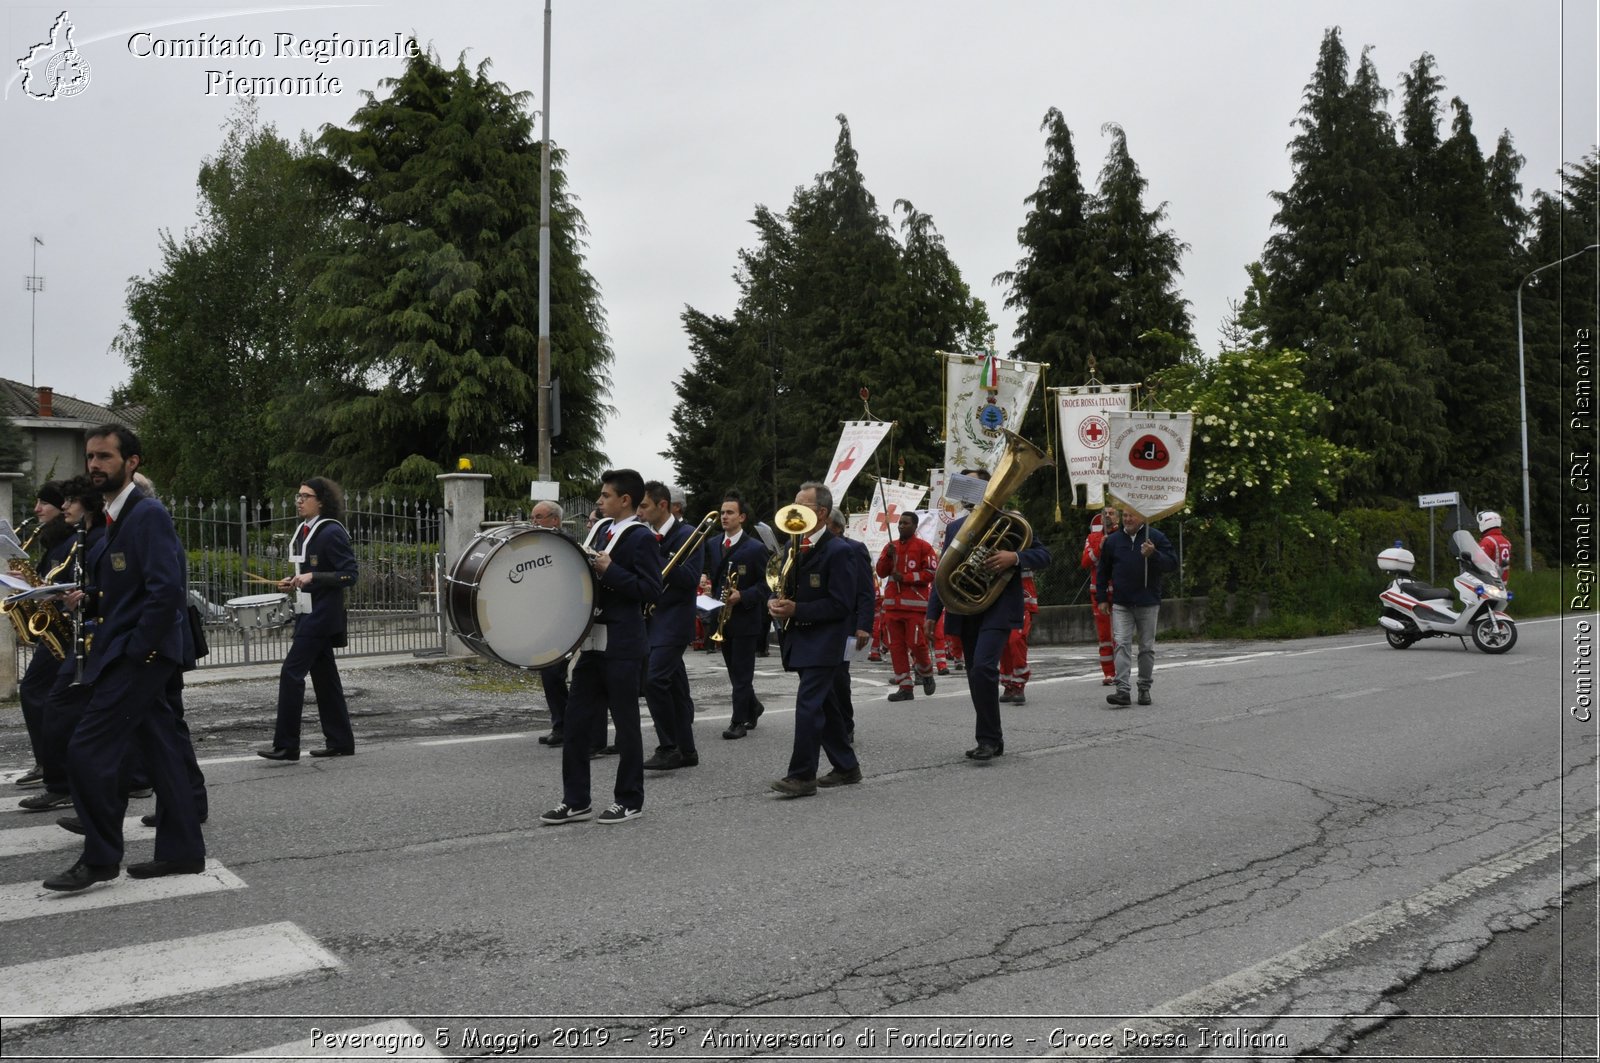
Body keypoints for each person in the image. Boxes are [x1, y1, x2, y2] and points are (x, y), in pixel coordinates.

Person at [43, 424, 206, 890]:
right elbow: (129, 591)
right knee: (162, 750)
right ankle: (182, 853)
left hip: (140, 656)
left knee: (87, 750)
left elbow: (166, 591)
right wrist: (90, 601)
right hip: (131, 650)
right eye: (90, 457)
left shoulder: (146, 513)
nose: (94, 465)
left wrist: (140, 651)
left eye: (105, 457)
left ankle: (99, 859)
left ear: (131, 462)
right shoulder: (116, 518)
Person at [542, 468, 661, 825]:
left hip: (623, 644)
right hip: (592, 643)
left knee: (625, 726)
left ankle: (629, 799)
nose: (599, 501)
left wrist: (611, 570)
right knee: (577, 725)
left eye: (606, 495)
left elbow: (652, 590)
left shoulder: (641, 537)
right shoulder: (600, 529)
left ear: (625, 500)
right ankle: (576, 800)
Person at [925, 470, 1053, 761]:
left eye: (975, 484)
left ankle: (988, 739)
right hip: (965, 607)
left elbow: (1045, 556)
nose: (969, 490)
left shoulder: (1014, 523)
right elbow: (944, 572)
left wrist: (1015, 557)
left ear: (988, 488)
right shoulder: (957, 525)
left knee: (983, 668)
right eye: (966, 484)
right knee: (974, 674)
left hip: (997, 607)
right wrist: (933, 613)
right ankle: (990, 738)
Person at [768, 483, 862, 797]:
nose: (793, 512)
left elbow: (842, 604)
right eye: (794, 504)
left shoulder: (839, 551)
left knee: (808, 706)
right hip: (801, 637)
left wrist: (798, 609)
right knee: (827, 705)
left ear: (821, 513)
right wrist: (777, 602)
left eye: (802, 506)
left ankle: (802, 775)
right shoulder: (794, 546)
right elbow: (784, 588)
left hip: (825, 641)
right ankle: (847, 766)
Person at [258, 478, 359, 761]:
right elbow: (311, 573)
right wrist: (294, 581)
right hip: (308, 615)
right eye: (298, 496)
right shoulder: (305, 531)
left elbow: (349, 575)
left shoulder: (331, 532)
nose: (299, 501)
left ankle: (287, 745)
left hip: (321, 617)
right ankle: (341, 741)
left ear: (322, 501)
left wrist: (312, 576)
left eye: (306, 496)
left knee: (291, 674)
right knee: (326, 680)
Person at [13, 481, 74, 805]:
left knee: (40, 693)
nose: (37, 509)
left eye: (43, 503)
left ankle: (57, 774)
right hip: (56, 625)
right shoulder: (54, 541)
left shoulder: (72, 540)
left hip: (64, 627)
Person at [640, 480, 702, 771]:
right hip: (653, 620)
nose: (639, 512)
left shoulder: (687, 534)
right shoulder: (647, 535)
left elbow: (689, 579)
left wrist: (658, 558)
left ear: (662, 505)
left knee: (654, 681)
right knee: (675, 689)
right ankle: (686, 750)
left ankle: (669, 747)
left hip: (674, 621)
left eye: (644, 506)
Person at [1097, 507, 1179, 708]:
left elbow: (1173, 564)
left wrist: (1154, 554)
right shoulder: (1113, 541)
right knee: (1122, 645)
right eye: (1124, 515)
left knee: (1146, 648)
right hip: (1121, 603)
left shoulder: (1156, 537)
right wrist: (1101, 598)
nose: (1127, 519)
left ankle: (1144, 688)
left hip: (1148, 602)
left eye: (1131, 515)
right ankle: (1122, 690)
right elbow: (1103, 570)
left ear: (1142, 517)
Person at [707, 492, 769, 739]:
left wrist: (743, 596)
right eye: (722, 512)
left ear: (741, 517)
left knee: (742, 672)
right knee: (734, 671)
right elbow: (709, 574)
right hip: (721, 618)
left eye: (730, 512)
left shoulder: (756, 548)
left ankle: (738, 721)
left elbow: (769, 584)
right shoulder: (712, 544)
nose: (724, 516)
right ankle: (753, 706)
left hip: (745, 619)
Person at [875, 510, 938, 702]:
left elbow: (931, 573)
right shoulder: (890, 546)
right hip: (892, 607)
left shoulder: (924, 547)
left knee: (917, 644)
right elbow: (881, 572)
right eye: (900, 523)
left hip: (915, 607)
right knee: (896, 647)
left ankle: (926, 673)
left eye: (906, 523)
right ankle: (905, 687)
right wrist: (888, 558)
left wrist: (908, 578)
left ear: (914, 526)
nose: (901, 526)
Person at [827, 510, 875, 742]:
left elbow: (866, 591)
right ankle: (825, 722)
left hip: (846, 624)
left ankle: (845, 724)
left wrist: (864, 625)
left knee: (838, 677)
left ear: (836, 527)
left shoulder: (855, 549)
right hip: (818, 623)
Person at [529, 500, 571, 746]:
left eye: (540, 517)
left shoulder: (565, 545)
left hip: (565, 619)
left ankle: (566, 727)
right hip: (547, 618)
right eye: (533, 517)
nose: (534, 521)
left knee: (554, 673)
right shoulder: (536, 543)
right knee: (549, 674)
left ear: (555, 520)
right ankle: (562, 725)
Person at [1081, 506, 1119, 685]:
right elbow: (1085, 562)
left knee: (1120, 635)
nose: (1108, 516)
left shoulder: (1123, 536)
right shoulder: (1093, 538)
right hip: (1098, 592)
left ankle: (1122, 670)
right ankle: (1109, 674)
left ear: (1117, 517)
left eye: (1111, 513)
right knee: (1104, 637)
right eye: (1105, 513)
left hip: (1120, 591)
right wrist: (1100, 547)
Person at [999, 567, 1039, 704]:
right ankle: (1008, 683)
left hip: (1022, 601)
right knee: (1003, 644)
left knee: (1015, 640)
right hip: (1001, 601)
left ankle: (1019, 683)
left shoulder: (1026, 546)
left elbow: (1040, 558)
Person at [1477, 511, 1513, 582]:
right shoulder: (1506, 541)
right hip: (1503, 582)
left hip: (1490, 581)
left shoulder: (1487, 541)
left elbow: (1478, 562)